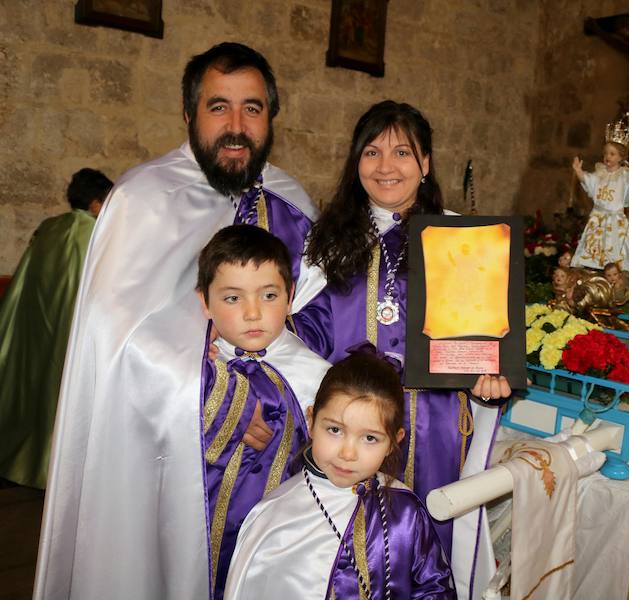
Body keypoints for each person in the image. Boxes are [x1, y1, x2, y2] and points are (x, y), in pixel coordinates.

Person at [34, 43, 320, 600]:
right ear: (189, 116)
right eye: (220, 107)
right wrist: (229, 403)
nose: (236, 126)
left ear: (271, 118)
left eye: (253, 109)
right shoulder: (144, 197)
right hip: (173, 459)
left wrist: (296, 398)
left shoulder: (292, 202)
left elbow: (313, 320)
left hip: (280, 463)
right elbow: (118, 335)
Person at [297, 100, 509, 599]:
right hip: (353, 428)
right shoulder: (326, 242)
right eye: (372, 152)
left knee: (430, 545)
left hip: (434, 426)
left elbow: (482, 342)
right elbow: (303, 338)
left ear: (426, 162)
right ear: (356, 162)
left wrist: (488, 383)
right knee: (349, 551)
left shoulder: (461, 240)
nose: (386, 167)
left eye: (402, 152)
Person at [225, 350, 456, 600]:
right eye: (335, 430)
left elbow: (434, 588)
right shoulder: (273, 517)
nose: (347, 453)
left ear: (393, 442)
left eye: (370, 438)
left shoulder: (406, 512)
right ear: (312, 421)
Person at [196, 225, 330, 600]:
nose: (253, 313)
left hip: (274, 544)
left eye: (269, 295)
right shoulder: (189, 370)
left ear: (290, 299)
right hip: (193, 534)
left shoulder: (317, 376)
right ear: (204, 302)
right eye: (232, 298)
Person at [0, 168, 113, 489]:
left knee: (40, 397)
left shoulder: (48, 229)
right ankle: (59, 472)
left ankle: (28, 462)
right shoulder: (96, 234)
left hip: (40, 329)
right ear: (95, 203)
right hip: (75, 335)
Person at [571, 134, 629, 276]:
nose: (607, 157)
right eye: (606, 153)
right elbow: (589, 181)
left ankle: (613, 275)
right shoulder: (599, 173)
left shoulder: (626, 176)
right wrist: (578, 171)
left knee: (613, 252)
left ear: (621, 157)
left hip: (615, 220)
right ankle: (593, 275)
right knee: (593, 252)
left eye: (612, 154)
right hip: (598, 219)